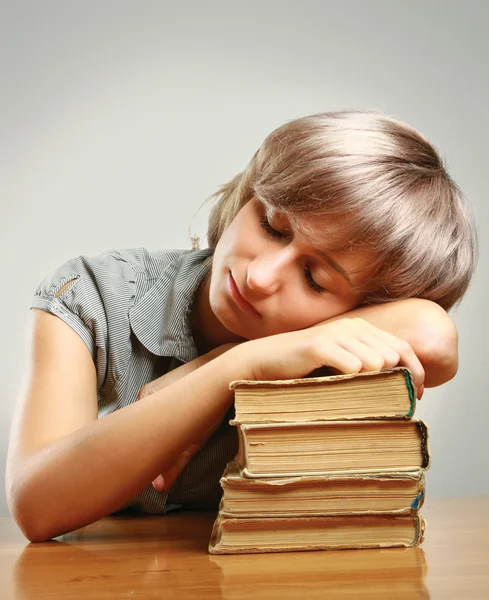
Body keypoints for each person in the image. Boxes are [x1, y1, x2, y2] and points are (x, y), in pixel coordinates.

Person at [6, 110, 477, 542]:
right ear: (248, 193)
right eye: (272, 226)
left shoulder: (337, 349)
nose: (260, 276)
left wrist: (222, 365)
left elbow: (434, 335)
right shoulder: (91, 292)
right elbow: (36, 508)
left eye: (315, 279)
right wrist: (241, 363)